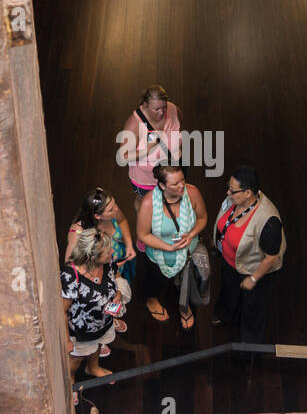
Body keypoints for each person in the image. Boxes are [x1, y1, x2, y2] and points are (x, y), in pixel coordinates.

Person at [212, 166, 286, 343]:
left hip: (253, 270)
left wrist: (253, 279)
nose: (227, 192)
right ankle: (226, 314)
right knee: (229, 291)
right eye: (228, 187)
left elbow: (271, 257)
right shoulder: (234, 198)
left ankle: (250, 343)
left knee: (253, 306)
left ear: (248, 193)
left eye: (232, 189)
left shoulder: (268, 221)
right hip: (230, 261)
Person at [136, 163, 208, 329]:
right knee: (156, 283)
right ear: (162, 185)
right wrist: (167, 248)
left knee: (186, 283)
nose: (181, 185)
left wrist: (191, 234)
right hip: (159, 256)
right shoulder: (149, 203)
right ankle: (152, 300)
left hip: (188, 253)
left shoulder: (193, 192)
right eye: (175, 184)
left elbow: (203, 218)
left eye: (182, 180)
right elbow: (143, 234)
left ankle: (184, 306)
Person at [60, 228, 130, 380]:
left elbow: (115, 276)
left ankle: (93, 368)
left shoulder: (107, 263)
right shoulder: (70, 276)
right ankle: (71, 380)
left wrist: (117, 295)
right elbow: (62, 311)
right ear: (92, 256)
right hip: (81, 332)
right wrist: (66, 340)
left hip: (104, 322)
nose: (112, 251)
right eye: (107, 251)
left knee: (98, 345)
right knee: (76, 359)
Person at [119, 85, 182, 218]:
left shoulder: (171, 108)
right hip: (146, 178)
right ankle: (145, 222)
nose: (161, 112)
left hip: (172, 169)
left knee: (169, 198)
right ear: (146, 105)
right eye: (156, 109)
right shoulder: (134, 124)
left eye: (163, 107)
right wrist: (147, 150)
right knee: (143, 201)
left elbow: (178, 120)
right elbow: (123, 157)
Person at [66, 187, 136, 287]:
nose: (116, 209)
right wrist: (108, 267)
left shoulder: (112, 210)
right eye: (111, 209)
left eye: (114, 203)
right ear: (97, 216)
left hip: (121, 260)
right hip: (103, 275)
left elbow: (122, 220)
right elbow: (72, 268)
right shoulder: (78, 233)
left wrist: (129, 245)